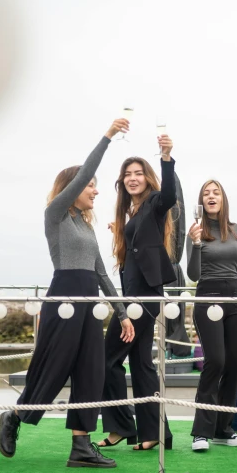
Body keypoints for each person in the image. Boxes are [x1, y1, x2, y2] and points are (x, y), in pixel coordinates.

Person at [0, 119, 135, 468]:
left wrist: (120, 313)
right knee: (52, 368)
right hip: (64, 301)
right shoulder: (55, 215)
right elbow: (83, 173)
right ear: (72, 188)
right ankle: (14, 416)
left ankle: (81, 447)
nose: (96, 191)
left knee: (92, 371)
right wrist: (107, 138)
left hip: (90, 304)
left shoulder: (87, 227)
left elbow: (102, 272)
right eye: (91, 185)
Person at [97, 135, 177, 451]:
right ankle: (156, 432)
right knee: (141, 364)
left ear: (147, 178)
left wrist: (167, 159)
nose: (132, 179)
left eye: (138, 173)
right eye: (127, 175)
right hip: (137, 294)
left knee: (107, 360)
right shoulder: (130, 212)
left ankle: (119, 426)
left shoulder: (156, 202)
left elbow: (169, 194)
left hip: (143, 296)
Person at [187, 180, 237, 451]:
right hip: (207, 297)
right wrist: (196, 243)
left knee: (235, 364)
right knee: (216, 361)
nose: (211, 196)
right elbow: (193, 275)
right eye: (206, 193)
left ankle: (223, 429)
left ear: (223, 199)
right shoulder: (195, 231)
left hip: (236, 298)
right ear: (201, 201)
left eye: (216, 192)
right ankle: (201, 432)